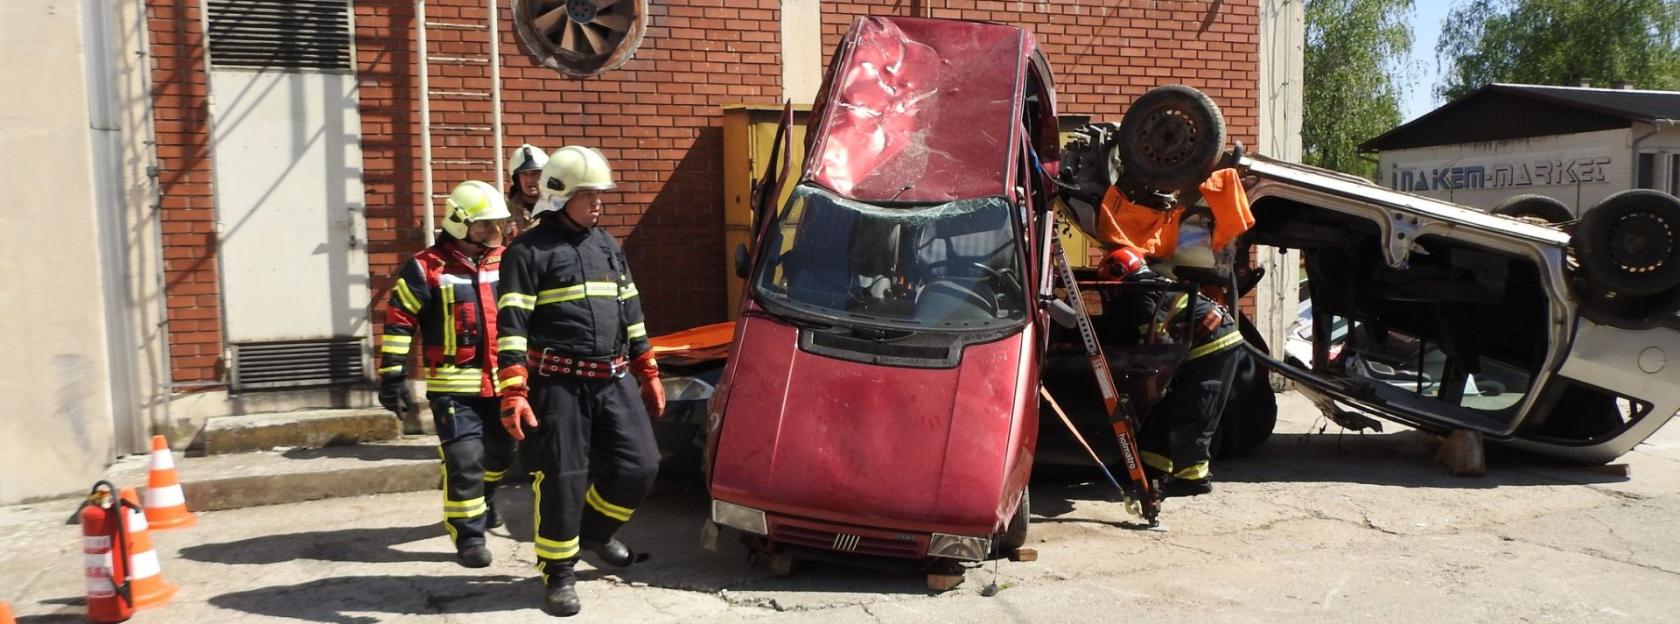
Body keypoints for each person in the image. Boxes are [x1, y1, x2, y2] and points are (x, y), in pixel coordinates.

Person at [494, 146, 665, 617]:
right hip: (558, 384)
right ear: (559, 195)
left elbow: (630, 311)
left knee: (641, 466)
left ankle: (592, 534)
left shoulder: (607, 245)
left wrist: (647, 370)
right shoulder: (526, 252)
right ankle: (559, 573)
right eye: (587, 194)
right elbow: (511, 325)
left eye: (599, 194)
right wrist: (513, 390)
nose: (598, 204)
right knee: (562, 479)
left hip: (612, 379)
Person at [377, 180, 517, 567]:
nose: (492, 233)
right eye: (483, 226)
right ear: (458, 223)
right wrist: (391, 375)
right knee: (464, 458)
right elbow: (399, 320)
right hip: (453, 388)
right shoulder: (426, 268)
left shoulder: (508, 260)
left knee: (504, 452)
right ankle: (469, 537)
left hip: (504, 384)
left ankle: (485, 498)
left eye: (497, 225)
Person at [1096, 244, 1248, 497]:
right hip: (1203, 345)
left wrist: (1155, 376)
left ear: (1119, 272)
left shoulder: (1140, 293)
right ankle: (1155, 466)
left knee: (1193, 410)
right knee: (1168, 409)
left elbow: (1154, 341)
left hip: (1214, 347)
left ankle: (1193, 480)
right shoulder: (1150, 283)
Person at [506, 143, 548, 232]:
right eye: (524, 174)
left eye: (535, 173)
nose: (530, 179)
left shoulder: (557, 209)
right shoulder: (505, 212)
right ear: (517, 179)